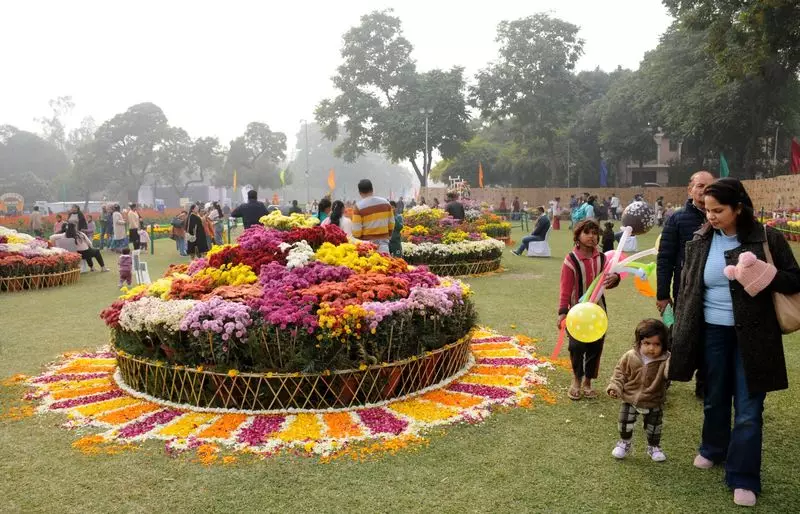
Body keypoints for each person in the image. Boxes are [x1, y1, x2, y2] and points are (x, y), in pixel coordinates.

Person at [670, 178, 800, 507]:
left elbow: (794, 277)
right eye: (707, 210)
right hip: (712, 332)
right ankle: (712, 448)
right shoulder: (700, 239)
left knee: (748, 409)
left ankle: (743, 476)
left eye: (718, 210)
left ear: (738, 208)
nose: (710, 216)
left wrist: (764, 273)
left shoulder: (766, 237)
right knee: (714, 397)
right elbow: (688, 288)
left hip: (755, 336)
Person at [656, 170, 715, 397]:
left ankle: (704, 386)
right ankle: (662, 380)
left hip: (714, 292)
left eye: (709, 187)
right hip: (685, 292)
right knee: (678, 337)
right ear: (690, 190)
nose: (704, 191)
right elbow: (665, 260)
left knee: (710, 339)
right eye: (699, 186)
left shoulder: (720, 218)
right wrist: (663, 295)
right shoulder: (678, 219)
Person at [558, 219, 621, 400]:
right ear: (578, 236)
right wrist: (562, 312)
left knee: (595, 346)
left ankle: (588, 382)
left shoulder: (603, 259)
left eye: (595, 233)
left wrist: (615, 279)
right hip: (576, 313)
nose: (592, 237)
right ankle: (576, 380)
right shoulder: (571, 260)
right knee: (576, 347)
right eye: (587, 233)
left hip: (598, 312)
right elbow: (565, 288)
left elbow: (611, 278)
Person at [607, 319, 671, 462]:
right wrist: (615, 387)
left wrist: (671, 366)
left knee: (654, 427)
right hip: (630, 397)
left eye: (657, 344)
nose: (651, 348)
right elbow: (620, 373)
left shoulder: (666, 359)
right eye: (647, 343)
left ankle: (654, 447)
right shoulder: (630, 356)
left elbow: (669, 373)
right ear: (639, 342)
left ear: (664, 344)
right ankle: (624, 443)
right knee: (624, 422)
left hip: (653, 399)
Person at [352, 179, 395, 254]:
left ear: (360, 192)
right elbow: (392, 223)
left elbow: (356, 232)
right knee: (385, 264)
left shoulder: (358, 207)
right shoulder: (386, 203)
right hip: (384, 245)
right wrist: (387, 236)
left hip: (367, 248)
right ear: (372, 189)